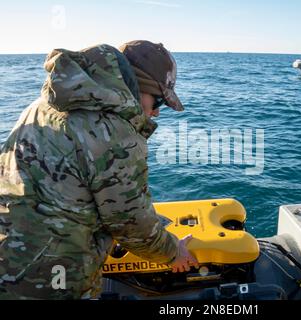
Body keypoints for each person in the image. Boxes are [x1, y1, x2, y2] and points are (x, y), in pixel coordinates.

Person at [0, 40, 198, 300]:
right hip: (52, 280)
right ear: (137, 87)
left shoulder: (46, 104)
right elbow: (130, 225)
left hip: (10, 258)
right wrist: (174, 251)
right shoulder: (114, 132)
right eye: (158, 99)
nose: (157, 112)